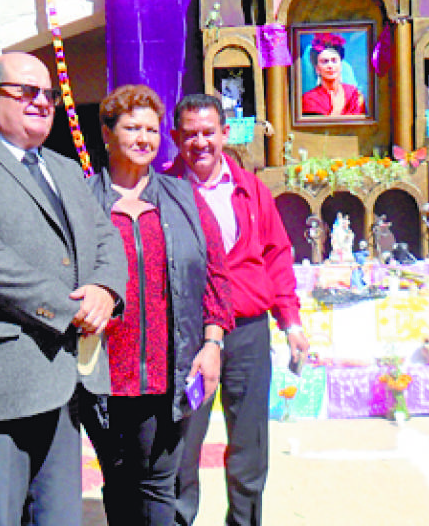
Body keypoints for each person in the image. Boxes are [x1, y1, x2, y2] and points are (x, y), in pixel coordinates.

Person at [0, 52, 127, 526]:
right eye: (26, 91)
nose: (41, 101)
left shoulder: (67, 170)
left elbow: (105, 239)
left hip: (63, 379)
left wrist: (104, 290)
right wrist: (67, 307)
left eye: (48, 94)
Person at [83, 85, 233, 525]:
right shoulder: (82, 198)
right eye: (132, 128)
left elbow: (216, 275)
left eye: (151, 129)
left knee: (159, 484)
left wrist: (212, 342)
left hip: (169, 371)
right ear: (108, 133)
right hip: (104, 373)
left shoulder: (184, 198)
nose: (144, 138)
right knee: (118, 478)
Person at [169, 93, 310, 526]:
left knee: (249, 447)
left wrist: (291, 323)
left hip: (247, 333)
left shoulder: (251, 190)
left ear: (224, 133)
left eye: (208, 132)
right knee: (182, 446)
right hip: (191, 337)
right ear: (175, 138)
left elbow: (277, 255)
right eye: (190, 134)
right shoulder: (165, 192)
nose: (200, 143)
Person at [300, 33, 365, 116]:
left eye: (334, 61)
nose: (330, 66)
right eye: (325, 61)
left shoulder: (353, 93)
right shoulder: (309, 99)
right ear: (317, 69)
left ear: (341, 65)